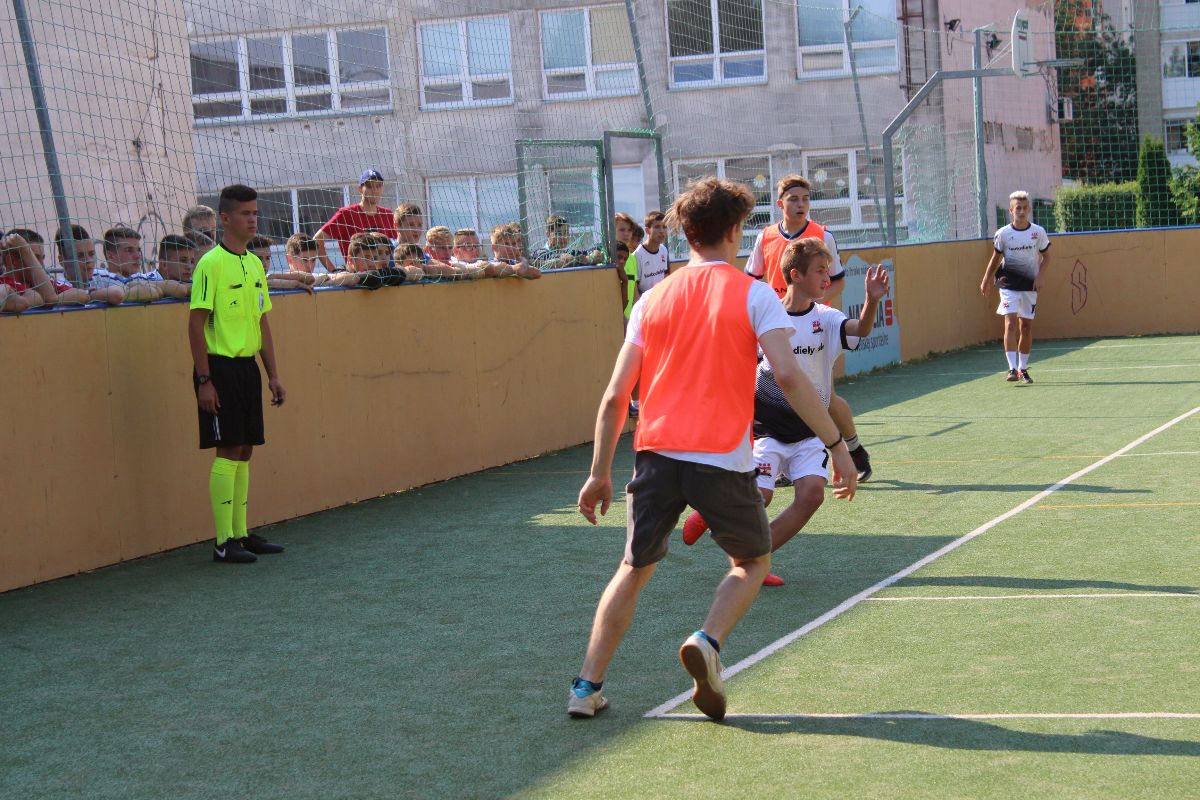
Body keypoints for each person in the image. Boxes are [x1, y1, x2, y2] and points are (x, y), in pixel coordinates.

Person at [569, 177, 856, 721]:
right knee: (752, 561)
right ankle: (707, 640)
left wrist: (599, 472)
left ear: (686, 231)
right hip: (721, 457)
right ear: (734, 230)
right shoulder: (754, 294)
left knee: (633, 567)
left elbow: (615, 395)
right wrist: (837, 444)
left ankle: (586, 687)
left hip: (655, 454)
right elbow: (789, 377)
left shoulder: (652, 298)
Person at [682, 238, 888, 586]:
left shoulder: (826, 317)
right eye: (819, 271)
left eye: (827, 271)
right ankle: (713, 507)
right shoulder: (767, 317)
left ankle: (754, 561)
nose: (827, 279)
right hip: (767, 428)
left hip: (811, 430)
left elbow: (860, 330)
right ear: (795, 275)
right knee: (760, 496)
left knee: (812, 494)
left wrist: (871, 300)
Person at [746, 174, 874, 482]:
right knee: (771, 388)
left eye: (805, 198)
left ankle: (854, 450)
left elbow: (838, 280)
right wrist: (777, 309)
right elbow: (751, 280)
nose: (801, 204)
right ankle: (778, 458)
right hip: (775, 326)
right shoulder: (765, 237)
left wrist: (811, 305)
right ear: (780, 204)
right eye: (794, 199)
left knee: (822, 397)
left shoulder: (822, 235)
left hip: (811, 326)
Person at [188, 183, 286, 564]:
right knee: (228, 449)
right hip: (219, 368)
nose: (252, 219)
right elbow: (196, 325)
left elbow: (262, 322)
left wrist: (273, 374)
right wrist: (204, 380)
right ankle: (223, 541)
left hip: (247, 369)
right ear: (225, 218)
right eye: (245, 214)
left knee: (245, 449)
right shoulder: (210, 264)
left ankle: (240, 533)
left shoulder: (254, 265)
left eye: (255, 213)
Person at [980, 190, 1051, 385]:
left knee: (1025, 327)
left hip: (1029, 284)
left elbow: (1047, 257)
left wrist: (1041, 276)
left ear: (1029, 210)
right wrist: (986, 279)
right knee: (1010, 324)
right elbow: (995, 258)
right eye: (1017, 208)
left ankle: (1022, 369)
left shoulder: (1038, 232)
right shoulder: (1003, 234)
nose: (1021, 211)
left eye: (1024, 208)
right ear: (1011, 211)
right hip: (1008, 284)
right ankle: (1011, 368)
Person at [313, 169, 396, 273]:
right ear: (360, 189)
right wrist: (333, 270)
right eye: (369, 186)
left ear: (382, 188)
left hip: (383, 276)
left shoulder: (387, 215)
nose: (374, 190)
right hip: (356, 277)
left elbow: (399, 244)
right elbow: (317, 240)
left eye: (378, 186)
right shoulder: (346, 214)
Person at [1, 228, 89, 306]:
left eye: (42, 258)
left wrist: (54, 300)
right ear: (12, 261)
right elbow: (39, 298)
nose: (42, 265)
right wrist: (51, 299)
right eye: (34, 258)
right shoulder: (3, 284)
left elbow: (82, 295)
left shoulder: (43, 283)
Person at [55, 224, 123, 305]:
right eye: (80, 256)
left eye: (91, 254)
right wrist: (91, 295)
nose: (88, 260)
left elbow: (131, 286)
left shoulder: (101, 276)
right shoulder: (59, 289)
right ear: (62, 260)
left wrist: (94, 295)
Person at [94, 227, 161, 302]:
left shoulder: (142, 278)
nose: (138, 256)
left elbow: (169, 286)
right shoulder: (97, 279)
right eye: (129, 250)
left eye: (138, 250)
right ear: (110, 256)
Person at [530, 215, 604, 270]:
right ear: (548, 234)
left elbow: (588, 252)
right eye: (559, 233)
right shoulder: (540, 253)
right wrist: (586, 259)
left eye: (566, 233)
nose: (564, 237)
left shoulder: (570, 252)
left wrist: (594, 253)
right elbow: (563, 259)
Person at [140, 234, 197, 299]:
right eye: (183, 260)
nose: (189, 267)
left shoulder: (194, 282)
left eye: (192, 261)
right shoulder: (142, 280)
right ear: (164, 264)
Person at [613, 212, 640, 314]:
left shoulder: (632, 258)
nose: (626, 233)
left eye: (629, 230)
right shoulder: (607, 258)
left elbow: (635, 291)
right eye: (622, 230)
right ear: (612, 231)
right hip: (615, 315)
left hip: (630, 316)